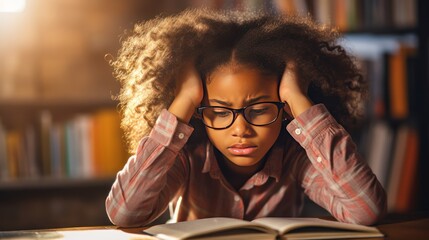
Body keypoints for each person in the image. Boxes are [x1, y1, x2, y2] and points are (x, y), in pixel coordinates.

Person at [105, 8, 386, 227]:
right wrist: (184, 100)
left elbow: (366, 210)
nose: (241, 129)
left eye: (261, 109)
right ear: (198, 113)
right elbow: (124, 213)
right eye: (218, 111)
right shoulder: (186, 157)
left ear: (284, 108)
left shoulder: (295, 159)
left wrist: (299, 99)